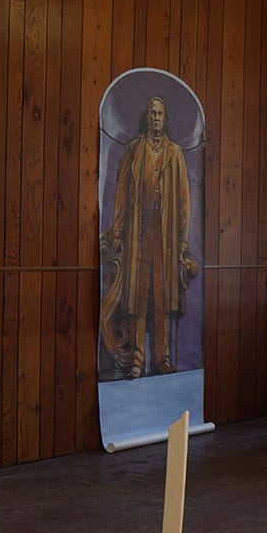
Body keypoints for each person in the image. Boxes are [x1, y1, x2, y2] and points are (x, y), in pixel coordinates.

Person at [100, 96, 198, 379]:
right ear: (147, 117)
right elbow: (120, 196)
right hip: (137, 235)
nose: (156, 118)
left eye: (160, 114)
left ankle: (162, 358)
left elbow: (183, 201)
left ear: (165, 119)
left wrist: (182, 241)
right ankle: (136, 359)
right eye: (152, 113)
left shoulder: (175, 153)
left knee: (163, 298)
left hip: (165, 237)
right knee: (138, 299)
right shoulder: (133, 151)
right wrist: (118, 232)